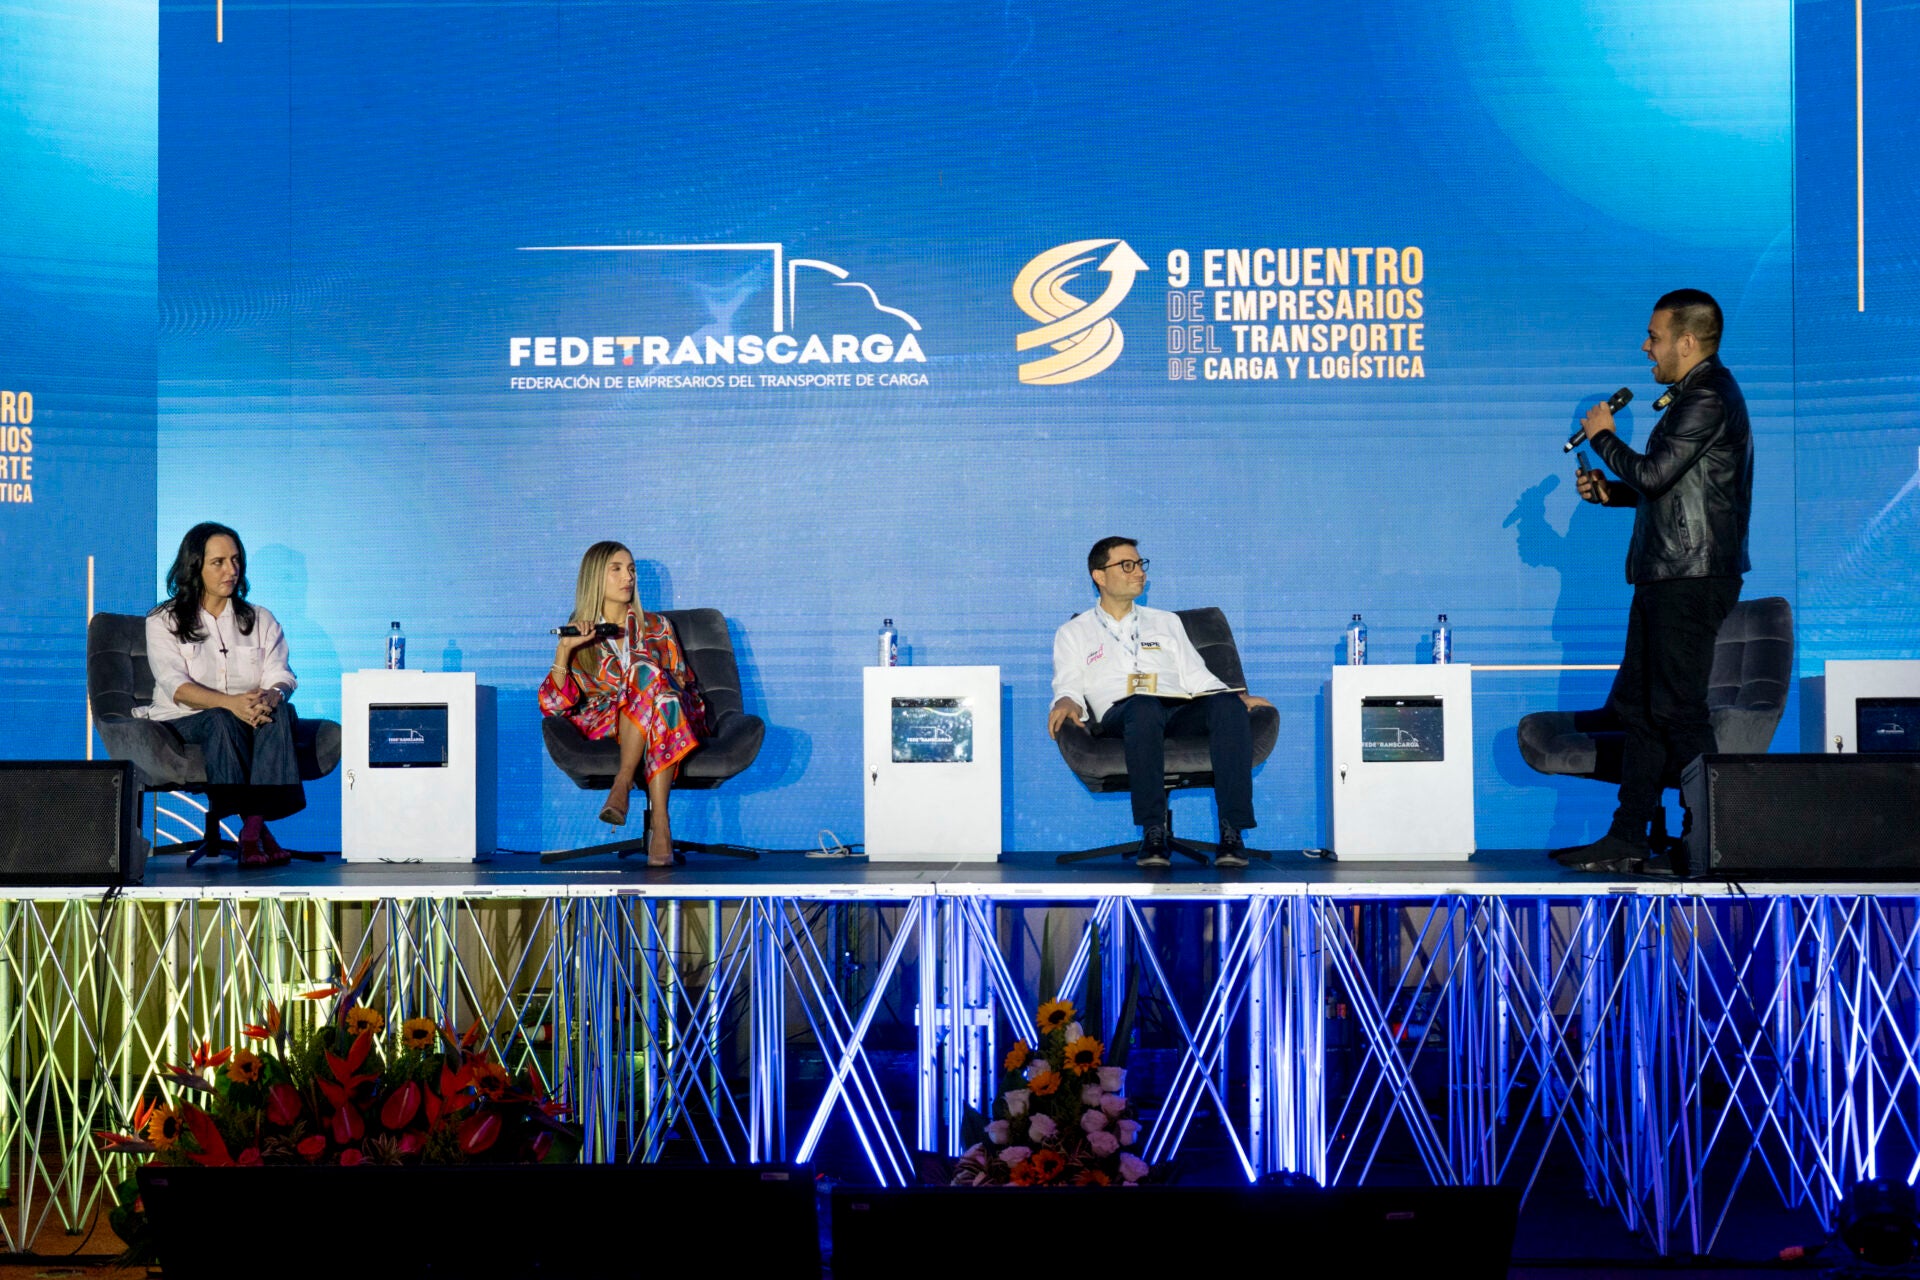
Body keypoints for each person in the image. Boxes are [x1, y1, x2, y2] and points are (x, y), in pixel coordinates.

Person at [1555, 289, 1753, 870]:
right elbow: (1665, 488)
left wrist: (1603, 436)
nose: (1647, 347)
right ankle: (1627, 836)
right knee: (1641, 711)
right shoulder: (1692, 396)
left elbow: (1655, 471)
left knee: (1679, 710)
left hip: (1691, 578)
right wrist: (1609, 491)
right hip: (1667, 574)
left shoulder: (1710, 397)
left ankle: (1710, 838)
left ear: (1687, 342)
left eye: (1655, 336)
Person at [1048, 537, 1273, 869]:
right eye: (1127, 565)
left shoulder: (1166, 621)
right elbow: (1068, 684)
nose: (1139, 572)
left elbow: (1197, 675)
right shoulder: (1073, 632)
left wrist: (1234, 697)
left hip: (1177, 707)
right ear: (1099, 575)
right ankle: (1153, 830)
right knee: (1143, 705)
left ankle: (1232, 832)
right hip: (1122, 712)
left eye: (1140, 564)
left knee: (1226, 706)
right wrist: (1065, 701)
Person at [139, 523, 303, 868]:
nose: (231, 570)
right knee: (222, 718)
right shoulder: (162, 620)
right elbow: (176, 687)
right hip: (182, 719)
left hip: (251, 712)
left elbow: (281, 674)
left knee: (283, 712)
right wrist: (233, 704)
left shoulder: (260, 618)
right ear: (194, 567)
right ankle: (258, 830)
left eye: (235, 560)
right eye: (219, 562)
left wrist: (273, 695)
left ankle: (251, 830)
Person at [539, 542, 708, 868]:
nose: (627, 577)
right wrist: (564, 650)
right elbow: (555, 707)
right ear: (595, 578)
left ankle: (624, 784)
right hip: (609, 720)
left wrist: (645, 679)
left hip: (673, 713)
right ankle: (662, 823)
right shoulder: (580, 632)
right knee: (655, 692)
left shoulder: (658, 627)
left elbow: (682, 681)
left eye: (631, 569)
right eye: (616, 569)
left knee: (656, 686)